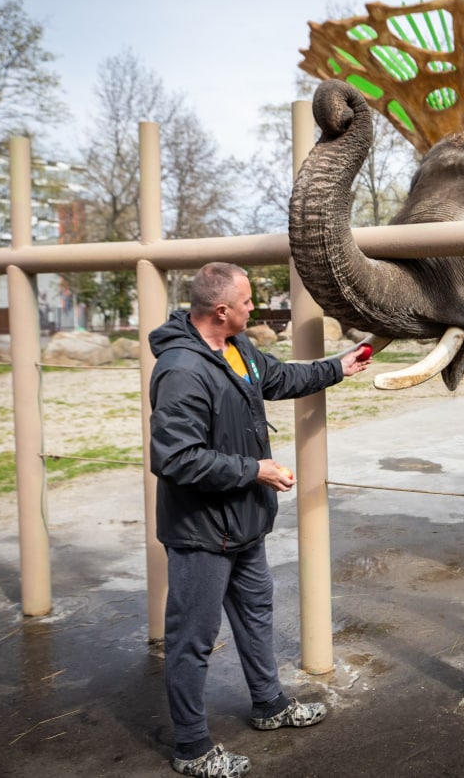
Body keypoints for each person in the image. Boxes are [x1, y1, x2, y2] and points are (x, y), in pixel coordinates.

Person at [148, 262, 370, 777]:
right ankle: (192, 748)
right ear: (221, 310)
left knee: (255, 616)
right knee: (192, 639)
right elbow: (175, 459)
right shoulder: (181, 370)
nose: (254, 307)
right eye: (247, 302)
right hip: (202, 532)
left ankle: (269, 705)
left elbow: (280, 377)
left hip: (244, 523)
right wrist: (256, 470)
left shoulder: (237, 348)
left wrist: (338, 367)